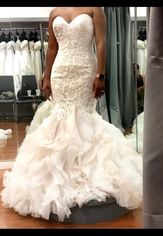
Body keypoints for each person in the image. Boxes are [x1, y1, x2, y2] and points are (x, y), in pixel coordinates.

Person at [1, 7, 142, 222]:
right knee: (60, 117)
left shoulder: (95, 9)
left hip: (85, 69)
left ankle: (85, 172)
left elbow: (102, 43)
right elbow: (51, 49)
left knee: (82, 116)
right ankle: (58, 175)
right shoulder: (54, 12)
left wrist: (100, 74)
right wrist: (46, 76)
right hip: (61, 71)